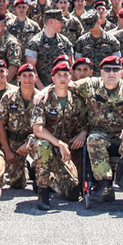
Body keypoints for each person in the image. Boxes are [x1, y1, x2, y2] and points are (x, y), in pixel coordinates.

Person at [72, 56, 123, 202]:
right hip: (101, 134)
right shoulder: (90, 85)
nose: (111, 73)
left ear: (120, 73)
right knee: (93, 139)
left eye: (116, 70)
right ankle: (105, 186)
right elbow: (65, 86)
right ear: (101, 73)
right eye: (107, 70)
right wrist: (43, 92)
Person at [29, 61, 84, 209]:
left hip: (64, 150)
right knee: (43, 146)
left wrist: (83, 134)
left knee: (72, 192)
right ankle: (43, 192)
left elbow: (87, 122)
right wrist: (59, 143)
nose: (62, 78)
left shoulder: (77, 99)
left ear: (70, 77)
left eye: (65, 75)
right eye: (58, 75)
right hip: (46, 142)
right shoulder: (43, 99)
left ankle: (50, 179)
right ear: (53, 78)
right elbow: (38, 129)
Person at [0, 61, 40, 189]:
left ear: (36, 77)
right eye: (24, 76)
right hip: (13, 141)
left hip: (34, 140)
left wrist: (29, 144)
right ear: (18, 78)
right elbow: (0, 125)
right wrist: (7, 151)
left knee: (41, 179)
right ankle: (25, 168)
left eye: (31, 75)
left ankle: (37, 169)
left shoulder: (41, 98)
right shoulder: (8, 97)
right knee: (17, 184)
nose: (27, 79)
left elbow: (45, 127)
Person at [24, 9, 74, 87]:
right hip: (42, 89)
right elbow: (31, 69)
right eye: (61, 22)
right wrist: (43, 90)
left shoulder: (65, 42)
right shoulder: (34, 43)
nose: (63, 24)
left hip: (62, 88)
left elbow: (71, 66)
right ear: (52, 22)